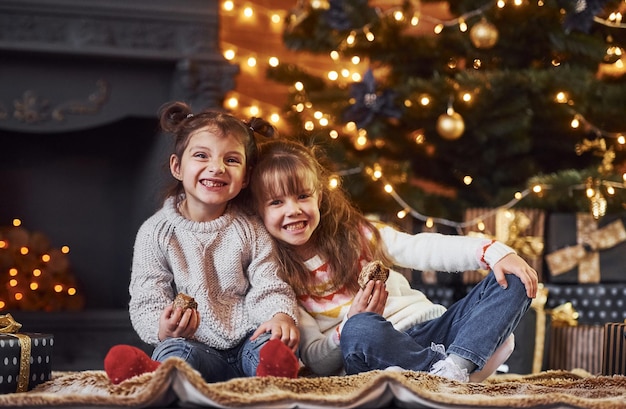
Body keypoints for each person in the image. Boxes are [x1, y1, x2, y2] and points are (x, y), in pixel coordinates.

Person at [249, 137, 539, 382]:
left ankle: (453, 369)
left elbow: (423, 249)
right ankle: (463, 362)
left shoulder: (356, 233)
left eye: (302, 196)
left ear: (320, 196)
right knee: (361, 329)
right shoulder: (281, 277)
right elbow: (316, 361)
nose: (293, 210)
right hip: (373, 349)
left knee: (513, 279)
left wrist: (491, 252)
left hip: (432, 330)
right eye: (277, 202)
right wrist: (350, 322)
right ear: (257, 211)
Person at [128, 102, 299, 383]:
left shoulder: (251, 229)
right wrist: (163, 327)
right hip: (193, 344)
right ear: (177, 166)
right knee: (173, 353)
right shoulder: (155, 232)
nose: (217, 168)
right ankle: (159, 378)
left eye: (231, 160)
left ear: (245, 177)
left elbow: (269, 284)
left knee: (271, 348)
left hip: (247, 339)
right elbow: (147, 297)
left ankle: (273, 376)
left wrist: (279, 316)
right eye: (201, 156)